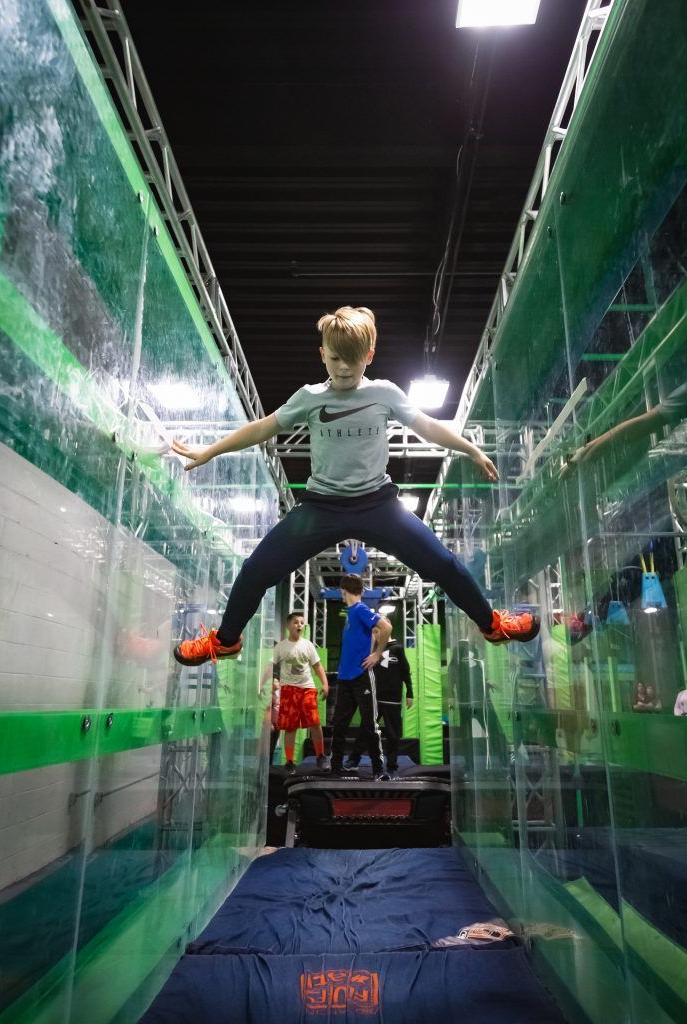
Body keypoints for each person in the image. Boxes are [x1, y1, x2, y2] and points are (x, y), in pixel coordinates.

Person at [171, 305, 540, 668]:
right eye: (335, 359)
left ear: (370, 355)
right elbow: (262, 427)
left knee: (443, 564)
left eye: (354, 359)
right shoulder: (311, 398)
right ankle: (225, 642)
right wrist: (212, 450)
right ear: (322, 355)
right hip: (320, 507)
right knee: (256, 570)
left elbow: (427, 425)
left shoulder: (384, 393)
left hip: (377, 505)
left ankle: (493, 626)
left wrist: (470, 448)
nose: (344, 368)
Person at [329, 574, 391, 779]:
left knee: (369, 724)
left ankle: (378, 770)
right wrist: (372, 647)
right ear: (361, 591)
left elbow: (386, 627)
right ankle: (336, 768)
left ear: (342, 591)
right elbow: (373, 633)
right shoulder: (350, 612)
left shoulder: (360, 609)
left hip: (361, 678)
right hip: (345, 678)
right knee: (339, 726)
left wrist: (377, 654)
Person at [347, 633, 413, 774]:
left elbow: (406, 671)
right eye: (374, 631)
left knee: (393, 735)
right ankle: (354, 759)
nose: (375, 634)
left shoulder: (398, 649)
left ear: (388, 630)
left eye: (378, 631)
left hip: (393, 700)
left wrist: (410, 693)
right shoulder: (371, 651)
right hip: (374, 699)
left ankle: (392, 766)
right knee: (365, 731)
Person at [272, 612, 329, 774]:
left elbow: (317, 667)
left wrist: (325, 683)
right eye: (296, 622)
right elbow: (272, 666)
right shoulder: (281, 646)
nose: (299, 625)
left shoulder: (308, 645)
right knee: (290, 727)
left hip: (307, 688)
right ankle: (289, 762)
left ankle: (321, 756)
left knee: (315, 723)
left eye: (302, 623)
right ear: (289, 625)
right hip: (289, 689)